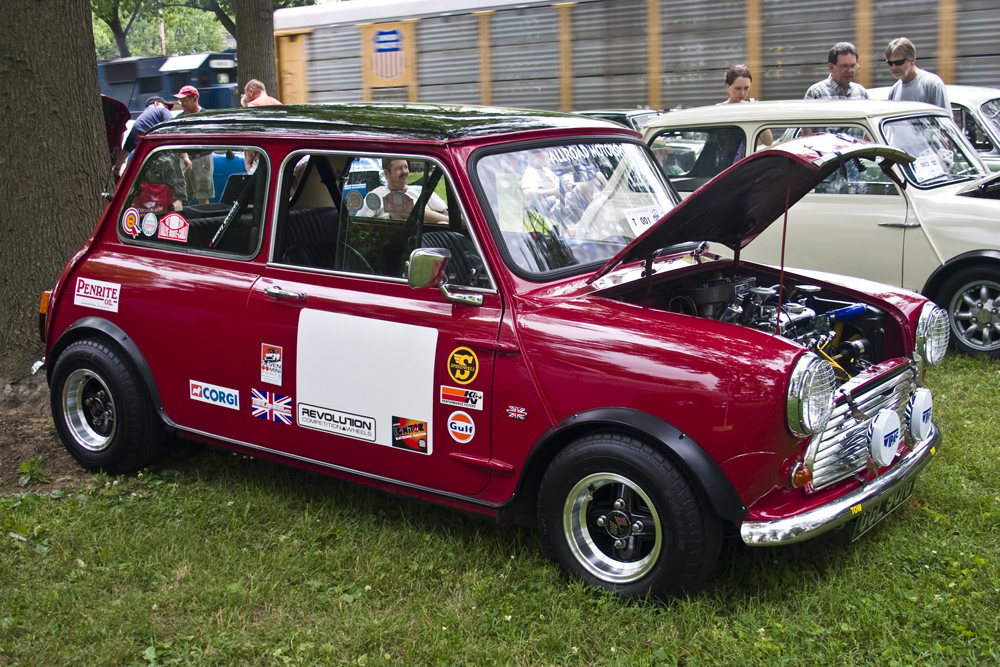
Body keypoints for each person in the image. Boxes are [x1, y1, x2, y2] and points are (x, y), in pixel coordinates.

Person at [356, 158, 449, 222]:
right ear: (387, 173)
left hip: (427, 237)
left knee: (443, 224)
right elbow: (360, 223)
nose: (404, 171)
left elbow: (446, 211)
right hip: (397, 241)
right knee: (400, 205)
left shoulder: (421, 191)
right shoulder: (375, 196)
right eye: (399, 168)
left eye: (406, 167)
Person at [113, 96, 173, 179]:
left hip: (143, 163)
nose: (167, 109)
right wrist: (184, 155)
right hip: (159, 157)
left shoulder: (139, 121)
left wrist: (116, 169)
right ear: (156, 104)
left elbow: (125, 150)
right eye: (166, 106)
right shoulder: (161, 110)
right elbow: (172, 128)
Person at [174, 85, 214, 205]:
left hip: (202, 158)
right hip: (183, 159)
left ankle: (204, 222)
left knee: (202, 195)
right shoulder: (179, 118)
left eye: (185, 101)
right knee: (181, 195)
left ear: (194, 99)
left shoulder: (206, 117)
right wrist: (185, 157)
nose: (182, 104)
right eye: (180, 101)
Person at [885, 37, 950, 110]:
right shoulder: (894, 91)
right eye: (890, 63)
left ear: (912, 60)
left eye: (898, 62)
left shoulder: (932, 84)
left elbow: (945, 118)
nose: (893, 67)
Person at [720, 64, 772, 148]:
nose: (742, 93)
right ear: (728, 86)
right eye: (738, 88)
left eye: (746, 88)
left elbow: (768, 141)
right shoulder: (718, 110)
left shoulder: (750, 108)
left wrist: (759, 113)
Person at [804, 42, 869, 100]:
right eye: (844, 66)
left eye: (853, 66)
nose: (850, 71)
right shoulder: (817, 93)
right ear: (831, 67)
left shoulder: (861, 93)